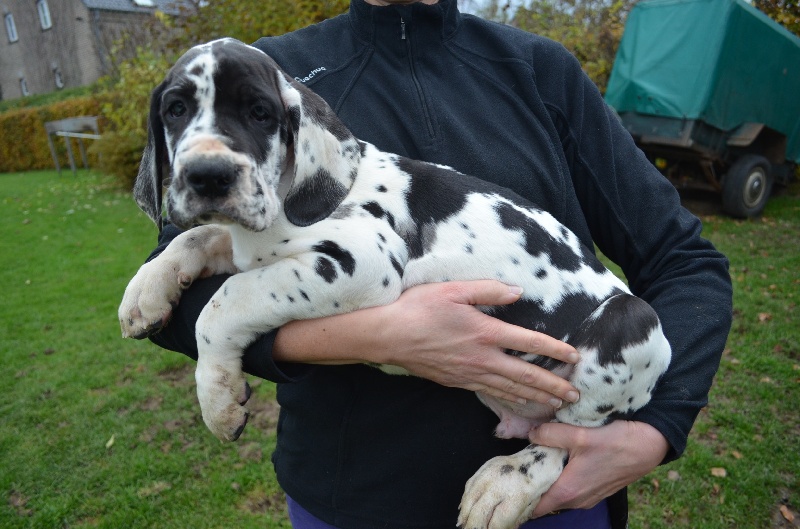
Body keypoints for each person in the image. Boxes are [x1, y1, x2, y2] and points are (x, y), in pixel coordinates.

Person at [144, 1, 733, 527]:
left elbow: (685, 260)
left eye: (256, 113)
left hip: (558, 497)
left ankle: (540, 456)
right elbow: (167, 310)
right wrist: (382, 338)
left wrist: (657, 428)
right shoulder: (256, 70)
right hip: (349, 500)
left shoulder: (539, 70)